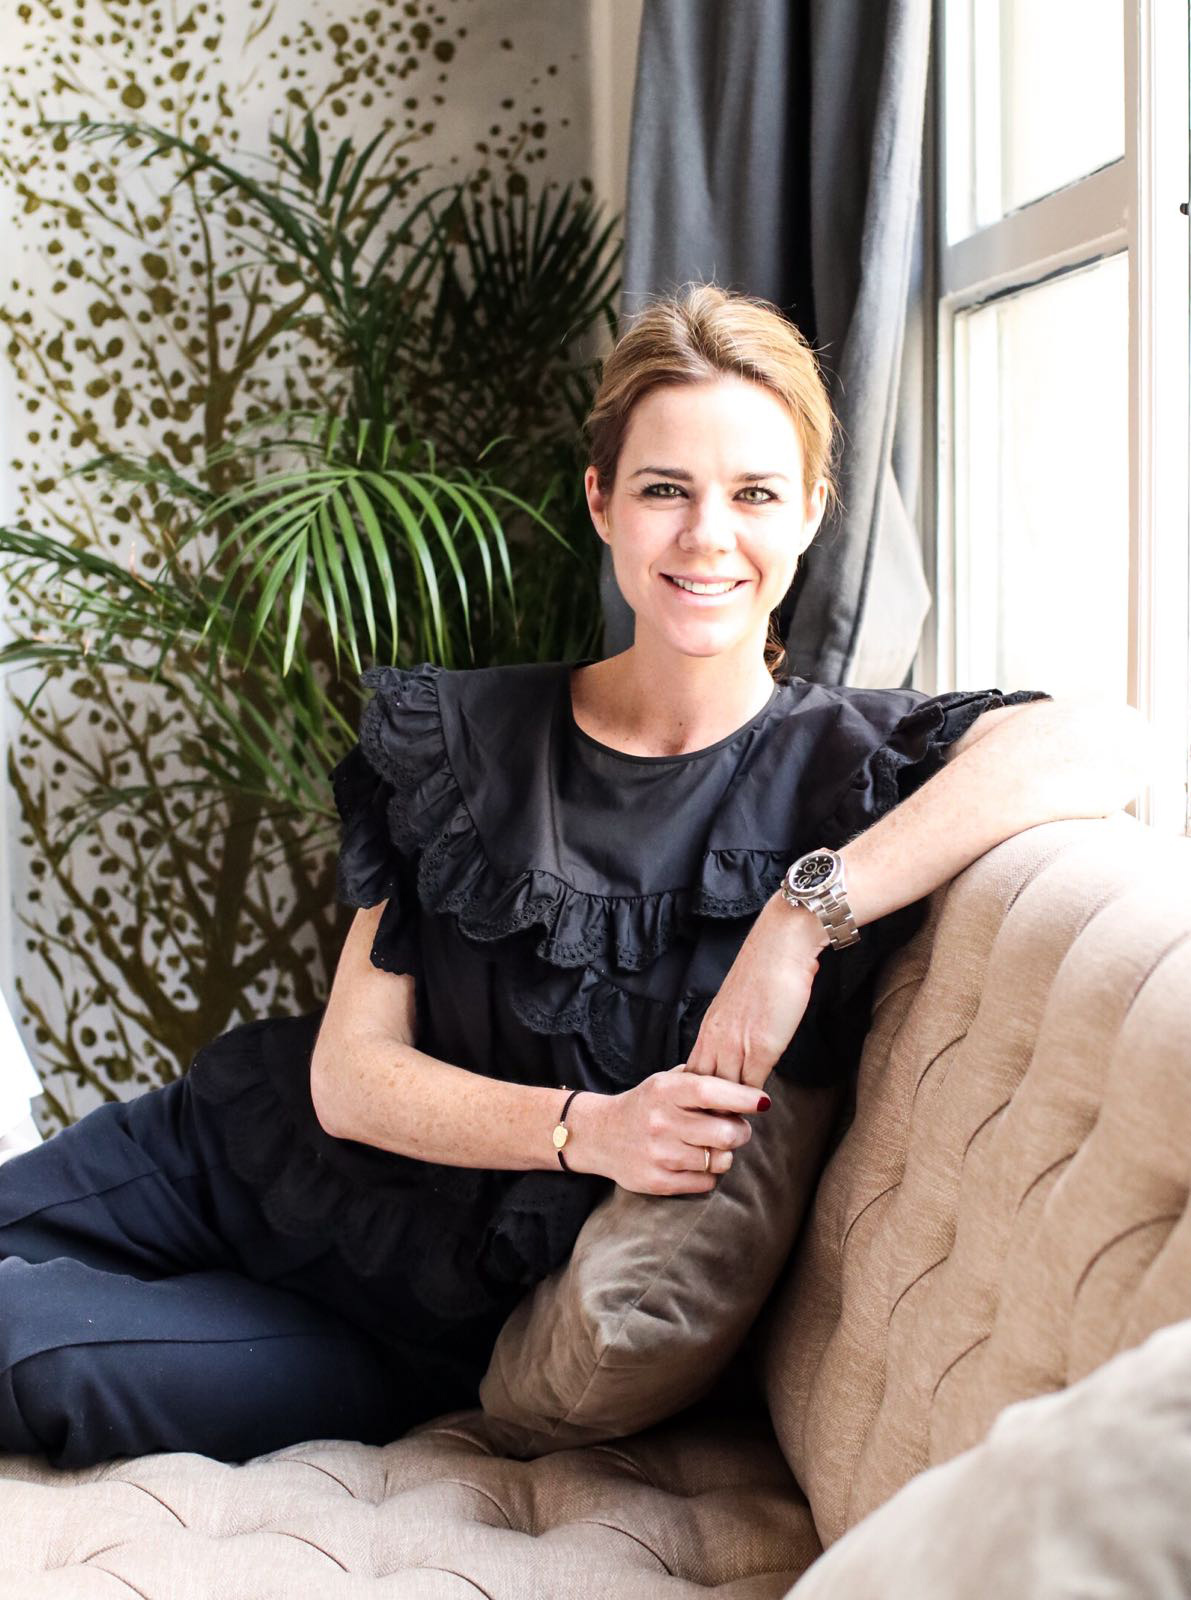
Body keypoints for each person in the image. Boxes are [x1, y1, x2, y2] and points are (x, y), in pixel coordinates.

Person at [0, 284, 1147, 1470]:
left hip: (399, 1323)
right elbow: (348, 1078)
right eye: (665, 489)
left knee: (30, 1349)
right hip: (227, 1155)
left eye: (755, 493)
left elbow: (1109, 741)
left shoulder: (852, 763)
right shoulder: (458, 738)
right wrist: (591, 1129)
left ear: (812, 509)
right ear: (602, 501)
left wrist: (798, 916)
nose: (708, 535)